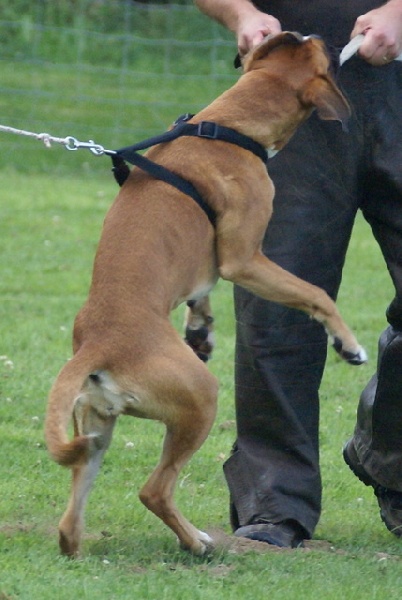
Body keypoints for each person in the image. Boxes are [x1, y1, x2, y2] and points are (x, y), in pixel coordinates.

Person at [195, 0, 402, 548]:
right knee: (277, 304)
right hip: (291, 94)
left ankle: (391, 458)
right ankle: (275, 502)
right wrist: (242, 15)